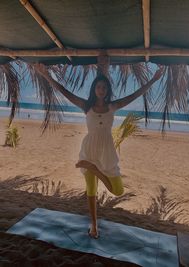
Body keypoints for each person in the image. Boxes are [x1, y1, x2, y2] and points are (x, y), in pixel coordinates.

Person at [35, 64, 163, 239]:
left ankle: (93, 169)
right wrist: (47, 75)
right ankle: (94, 225)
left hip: (107, 151)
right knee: (91, 190)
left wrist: (154, 79)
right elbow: (64, 91)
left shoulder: (112, 106)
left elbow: (135, 95)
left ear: (107, 90)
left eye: (104, 87)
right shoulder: (86, 106)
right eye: (98, 87)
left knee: (117, 190)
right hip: (90, 149)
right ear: (94, 89)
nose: (101, 90)